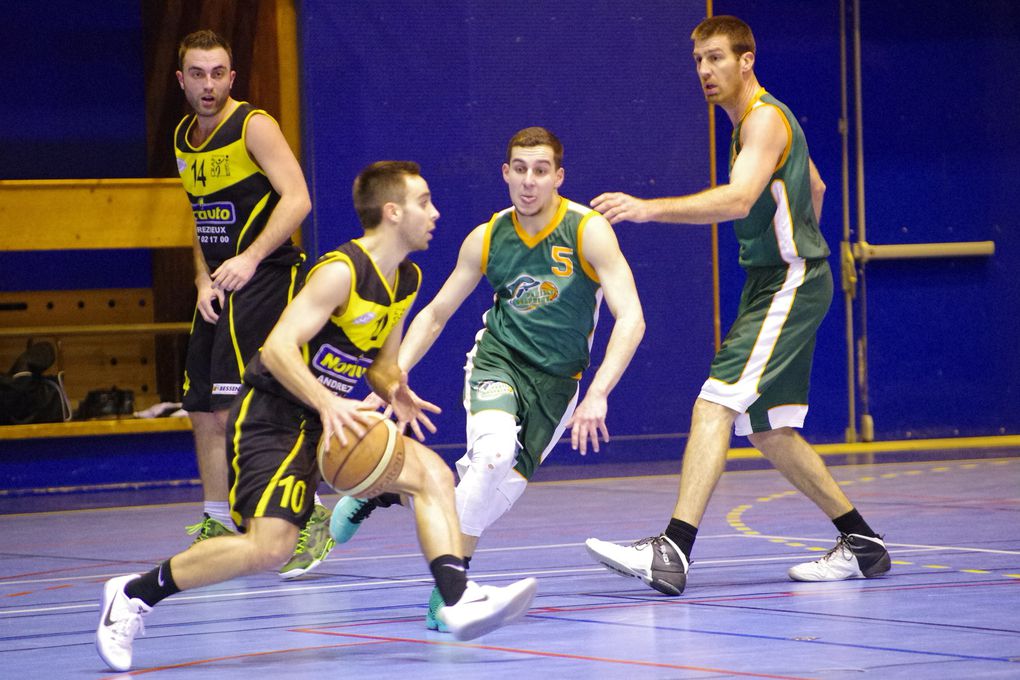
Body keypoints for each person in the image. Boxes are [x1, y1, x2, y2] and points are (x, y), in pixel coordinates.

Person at [95, 161, 539, 672]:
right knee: (270, 548)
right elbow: (279, 348)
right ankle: (131, 594)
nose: (435, 212)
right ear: (392, 212)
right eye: (424, 202)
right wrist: (327, 402)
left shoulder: (406, 279)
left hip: (326, 421)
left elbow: (382, 363)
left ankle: (457, 599)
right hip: (273, 416)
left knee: (433, 475)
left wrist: (396, 388)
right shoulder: (339, 272)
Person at [584, 15, 891, 596]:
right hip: (782, 277)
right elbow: (817, 189)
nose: (705, 70)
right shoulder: (754, 126)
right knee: (770, 430)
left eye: (717, 58)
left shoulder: (765, 120)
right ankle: (862, 543)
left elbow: (741, 197)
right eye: (698, 59)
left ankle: (672, 550)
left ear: (747, 60)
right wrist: (798, 241)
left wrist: (648, 209)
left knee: (713, 404)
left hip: (788, 281)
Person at [330, 127, 645, 630]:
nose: (529, 181)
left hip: (559, 386)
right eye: (519, 168)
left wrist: (599, 393)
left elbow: (631, 317)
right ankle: (452, 594)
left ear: (558, 177)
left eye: (541, 170)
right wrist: (393, 376)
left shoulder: (588, 231)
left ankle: (383, 491)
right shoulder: (488, 236)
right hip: (498, 362)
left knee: (488, 490)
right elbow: (435, 315)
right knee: (493, 455)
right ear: (505, 173)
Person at [173, 30, 333, 579]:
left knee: (245, 407)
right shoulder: (184, 138)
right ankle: (218, 519)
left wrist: (250, 257)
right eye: (198, 74)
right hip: (219, 286)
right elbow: (200, 217)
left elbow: (298, 198)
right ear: (182, 80)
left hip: (264, 277)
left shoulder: (254, 126)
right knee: (200, 409)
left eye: (218, 73)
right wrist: (202, 279)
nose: (209, 84)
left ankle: (307, 519)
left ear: (232, 77)